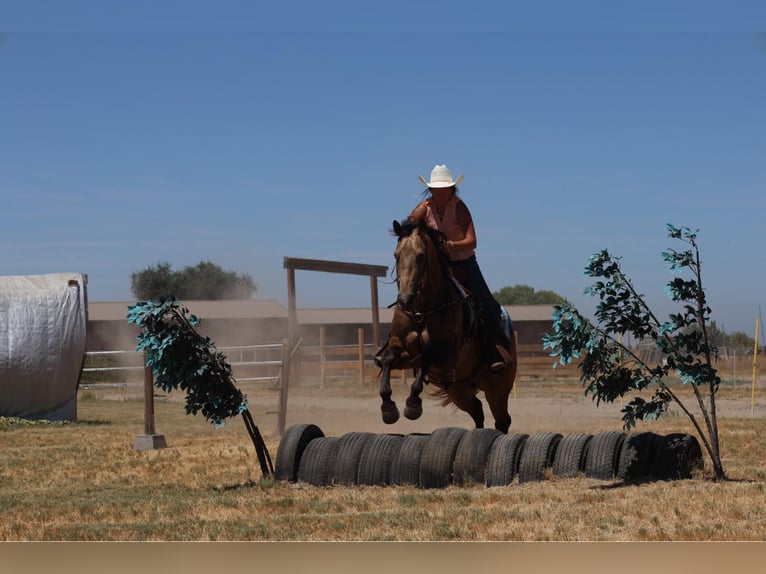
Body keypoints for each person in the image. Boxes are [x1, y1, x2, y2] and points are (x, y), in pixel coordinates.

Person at [408, 164, 513, 372]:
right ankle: (402, 344)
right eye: (437, 188)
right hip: (439, 266)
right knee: (411, 297)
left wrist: (451, 246)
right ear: (431, 189)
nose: (440, 191)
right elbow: (408, 226)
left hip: (464, 264)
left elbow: (472, 241)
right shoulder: (423, 208)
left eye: (444, 187)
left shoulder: (459, 207)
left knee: (485, 303)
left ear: (451, 189)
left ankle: (497, 350)